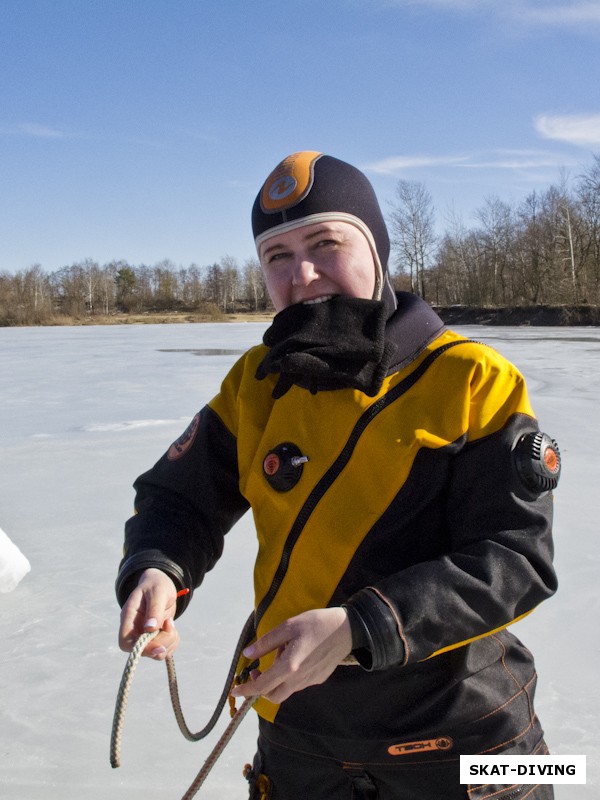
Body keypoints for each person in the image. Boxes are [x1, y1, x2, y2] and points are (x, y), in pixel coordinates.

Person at [116, 151, 560, 799]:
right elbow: (178, 500)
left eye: (327, 243)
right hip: (299, 736)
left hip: (475, 738)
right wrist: (158, 568)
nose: (304, 273)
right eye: (277, 256)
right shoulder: (257, 382)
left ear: (377, 249)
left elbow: (518, 560)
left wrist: (362, 626)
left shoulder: (472, 379)